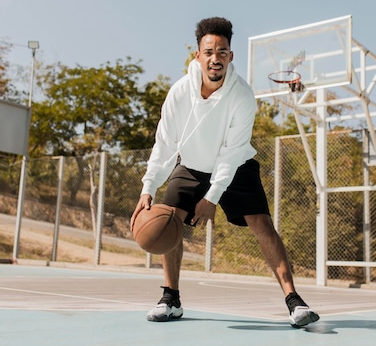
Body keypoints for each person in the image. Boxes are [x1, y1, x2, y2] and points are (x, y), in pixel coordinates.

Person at [131, 17, 319, 328]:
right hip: (190, 164)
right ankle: (171, 298)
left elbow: (231, 154)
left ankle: (294, 301)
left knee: (263, 226)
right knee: (169, 218)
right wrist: (147, 186)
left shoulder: (242, 96)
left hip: (236, 167)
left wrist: (211, 198)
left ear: (230, 56)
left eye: (221, 51)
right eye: (209, 52)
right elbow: (164, 143)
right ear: (198, 56)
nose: (215, 58)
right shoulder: (179, 93)